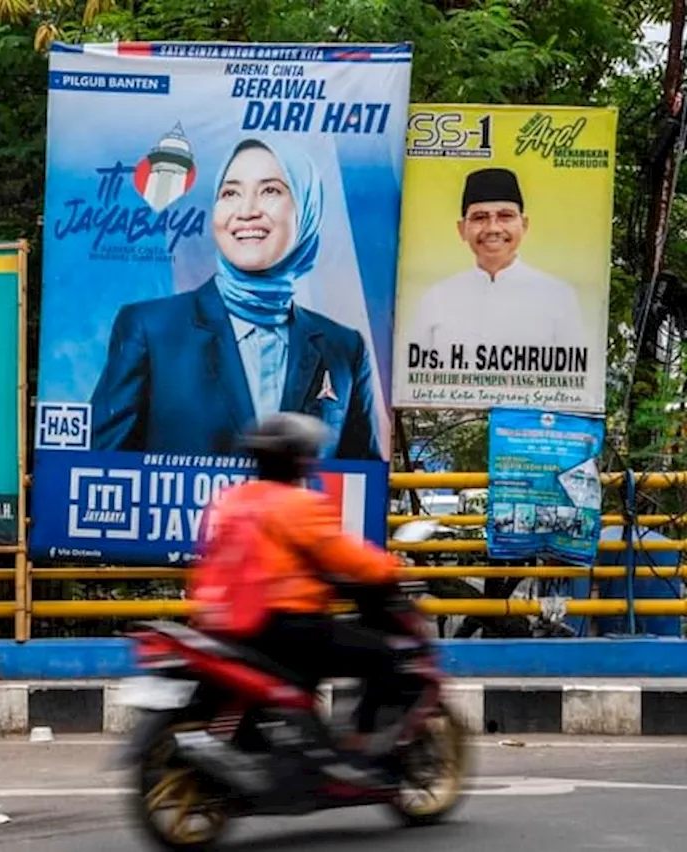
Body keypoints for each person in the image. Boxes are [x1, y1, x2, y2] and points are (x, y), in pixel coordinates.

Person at [87, 137, 383, 461]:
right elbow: (104, 468)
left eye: (270, 190)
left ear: (307, 208)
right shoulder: (151, 330)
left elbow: (358, 481)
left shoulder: (344, 349)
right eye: (230, 193)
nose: (245, 211)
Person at [186, 412, 418, 789]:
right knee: (385, 656)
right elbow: (348, 558)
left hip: (223, 626)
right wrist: (392, 570)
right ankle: (361, 750)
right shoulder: (298, 505)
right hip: (285, 627)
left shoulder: (229, 500)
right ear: (299, 459)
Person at [405, 167, 586, 361]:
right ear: (462, 229)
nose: (493, 228)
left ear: (524, 225)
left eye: (505, 216)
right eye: (479, 218)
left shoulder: (558, 296)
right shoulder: (436, 298)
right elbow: (414, 376)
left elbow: (575, 380)